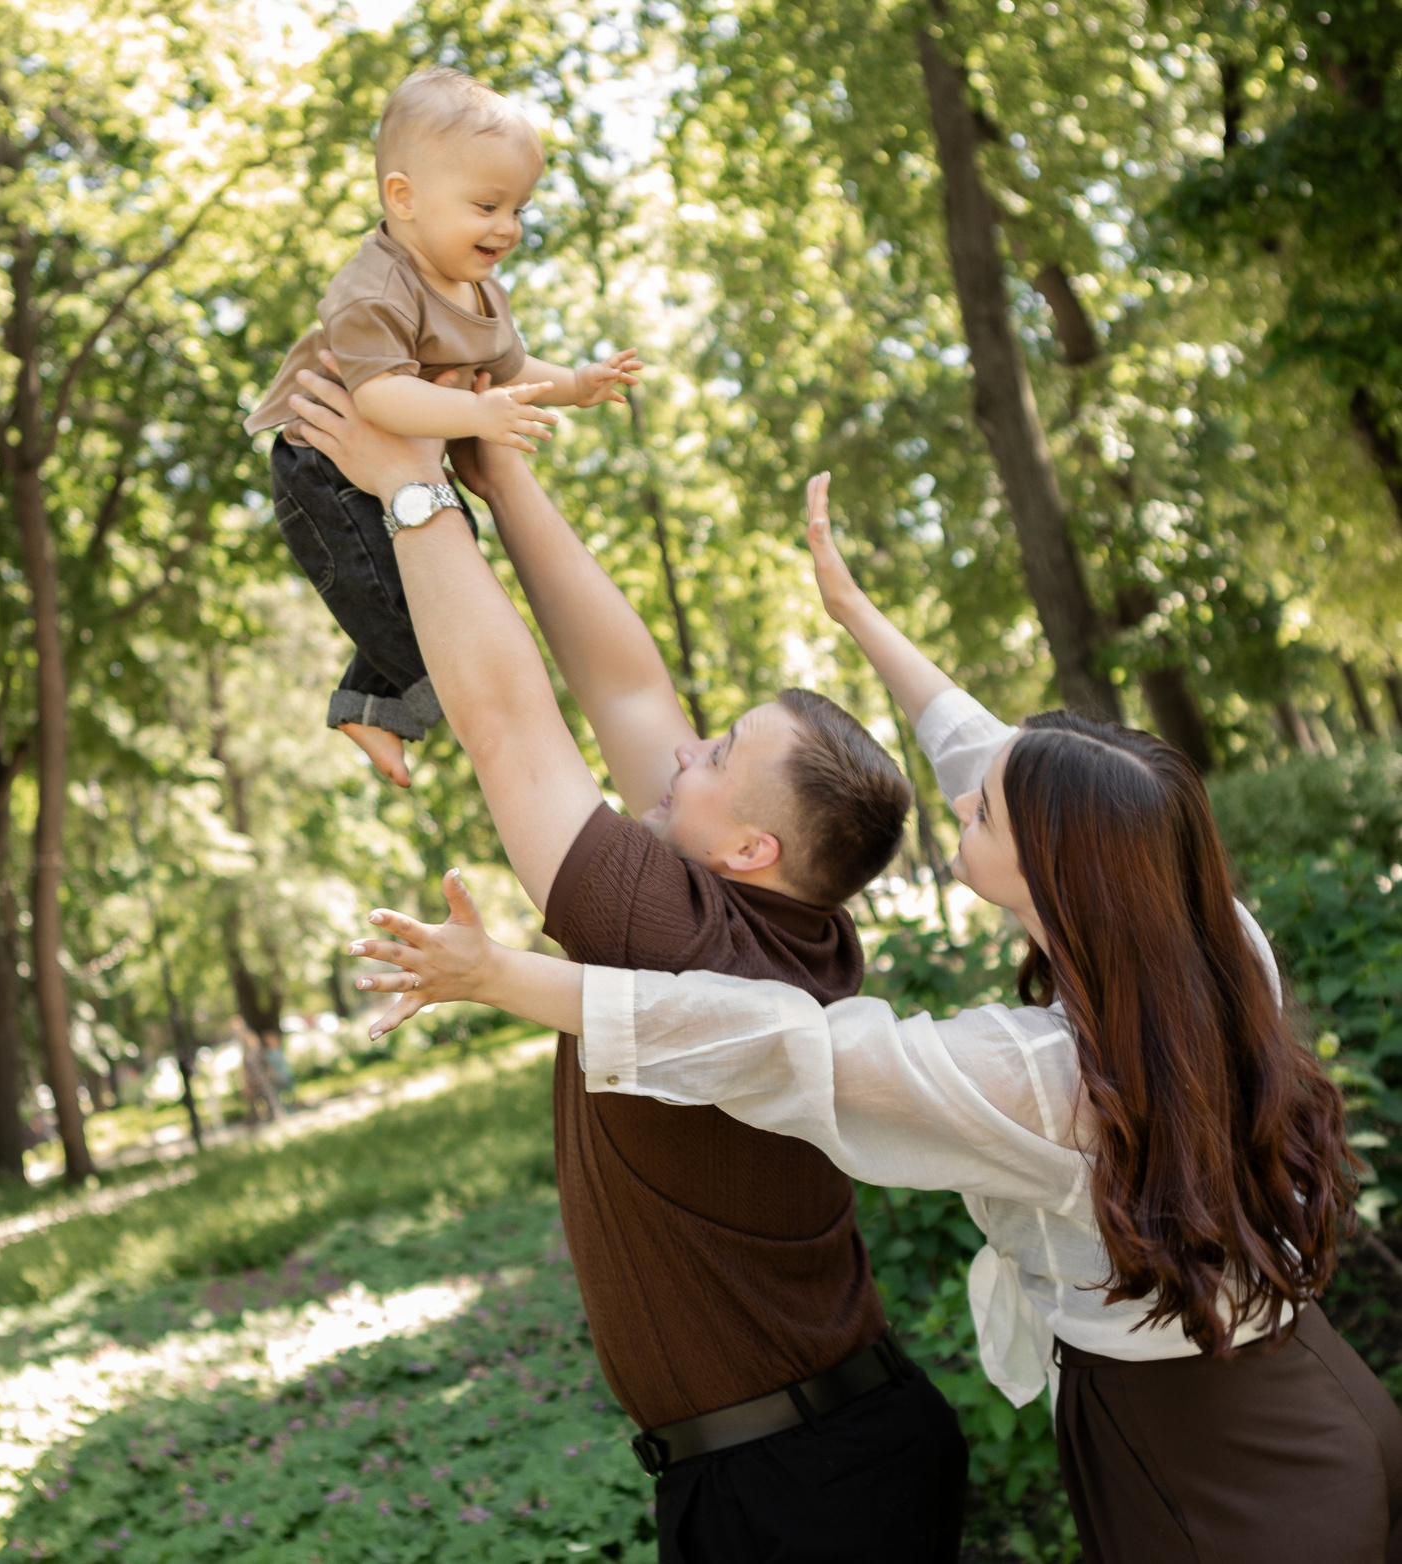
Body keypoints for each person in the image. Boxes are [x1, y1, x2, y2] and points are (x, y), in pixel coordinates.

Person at [350, 474, 1402, 1564]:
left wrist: (501, 976)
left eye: (983, 810)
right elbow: (1015, 763)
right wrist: (855, 613)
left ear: (1057, 873)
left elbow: (776, 1049)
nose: (961, 793)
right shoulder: (1211, 941)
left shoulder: (1040, 1077)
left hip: (1215, 1476)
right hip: (1316, 1403)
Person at [287, 384, 969, 1561]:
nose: (685, 750)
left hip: (796, 1495)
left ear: (749, 848)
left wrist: (411, 492)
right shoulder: (791, 922)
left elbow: (510, 727)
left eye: (716, 755)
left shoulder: (678, 934)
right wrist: (503, 474)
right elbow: (628, 688)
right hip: (826, 1455)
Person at [245, 65, 639, 787]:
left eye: (518, 208)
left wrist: (576, 385)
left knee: (448, 565)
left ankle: (370, 704)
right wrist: (475, 413)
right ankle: (453, 706)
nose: (508, 227)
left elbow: (507, 365)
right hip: (325, 468)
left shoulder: (477, 286)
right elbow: (380, 397)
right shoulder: (376, 287)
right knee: (404, 597)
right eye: (487, 205)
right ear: (404, 198)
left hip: (403, 463)